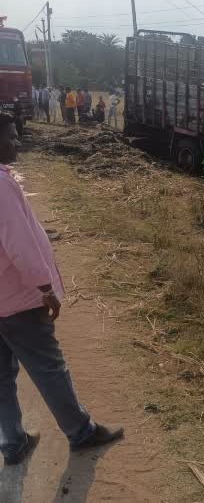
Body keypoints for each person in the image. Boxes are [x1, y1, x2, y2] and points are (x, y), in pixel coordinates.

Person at [0, 114, 125, 464]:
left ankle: (12, 442)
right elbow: (19, 246)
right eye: (10, 137)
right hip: (17, 299)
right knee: (48, 367)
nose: (18, 142)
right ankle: (81, 432)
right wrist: (45, 288)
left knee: (0, 377)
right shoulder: (1, 185)